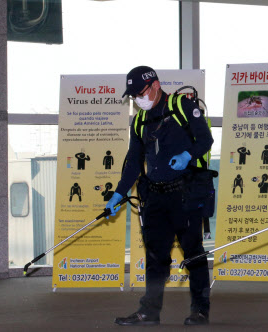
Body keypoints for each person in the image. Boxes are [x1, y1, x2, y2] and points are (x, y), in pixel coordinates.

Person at [106, 66, 213, 326]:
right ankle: (148, 312)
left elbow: (206, 140)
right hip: (154, 197)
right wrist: (118, 194)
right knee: (155, 258)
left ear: (155, 85)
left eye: (139, 93)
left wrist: (188, 155)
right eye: (132, 97)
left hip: (185, 194)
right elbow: (133, 162)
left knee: (193, 253)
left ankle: (200, 310)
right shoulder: (139, 121)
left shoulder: (182, 107)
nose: (137, 100)